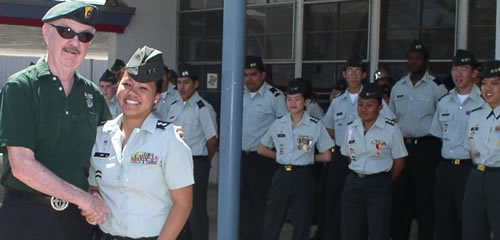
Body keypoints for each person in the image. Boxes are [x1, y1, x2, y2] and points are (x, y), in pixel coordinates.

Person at [0, 2, 111, 240]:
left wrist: (165, 135)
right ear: (46, 32)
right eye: (66, 32)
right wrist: (84, 199)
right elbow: (21, 165)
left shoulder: (93, 95)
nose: (75, 43)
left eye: (85, 36)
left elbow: (108, 151)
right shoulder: (21, 87)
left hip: (76, 222)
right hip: (26, 219)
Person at [86, 46, 194, 239]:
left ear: (157, 97)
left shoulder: (169, 139)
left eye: (143, 88)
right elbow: (95, 186)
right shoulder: (101, 135)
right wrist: (93, 201)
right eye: (127, 84)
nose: (132, 93)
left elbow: (183, 204)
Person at [321, 54, 395, 240]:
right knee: (334, 203)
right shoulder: (337, 101)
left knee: (367, 211)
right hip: (341, 156)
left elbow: (389, 123)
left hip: (369, 158)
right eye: (350, 71)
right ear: (344, 74)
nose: (353, 75)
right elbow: (328, 127)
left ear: (363, 74)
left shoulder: (373, 97)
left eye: (358, 72)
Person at [258, 79, 334, 240]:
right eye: (289, 99)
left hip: (303, 176)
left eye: (297, 99)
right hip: (282, 175)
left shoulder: (315, 125)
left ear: (306, 101)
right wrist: (279, 156)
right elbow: (262, 148)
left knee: (302, 220)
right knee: (273, 218)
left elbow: (327, 155)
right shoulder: (279, 123)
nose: (292, 103)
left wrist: (308, 158)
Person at [389, 40, 448, 240]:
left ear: (426, 61)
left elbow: (444, 117)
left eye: (419, 58)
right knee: (400, 199)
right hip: (403, 147)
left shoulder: (436, 87)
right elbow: (391, 119)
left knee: (425, 200)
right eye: (411, 58)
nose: (414, 62)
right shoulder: (398, 86)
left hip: (426, 148)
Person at [340, 83, 407, 240]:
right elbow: (349, 155)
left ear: (380, 107)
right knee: (351, 230)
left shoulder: (391, 129)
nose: (363, 109)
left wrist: (385, 181)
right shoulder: (351, 127)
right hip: (354, 182)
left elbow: (399, 161)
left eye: (369, 105)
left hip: (379, 183)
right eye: (360, 104)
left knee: (378, 230)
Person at [429, 49, 484, 240]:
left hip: (471, 169)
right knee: (444, 221)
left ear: (475, 72)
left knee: (470, 222)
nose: (458, 74)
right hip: (446, 168)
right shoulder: (444, 102)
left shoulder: (484, 102)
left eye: (464, 69)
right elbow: (438, 135)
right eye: (455, 69)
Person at [240, 55, 288, 240]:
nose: (249, 79)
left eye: (253, 74)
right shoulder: (239, 95)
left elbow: (284, 128)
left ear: (263, 75)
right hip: (240, 158)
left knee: (261, 204)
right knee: (241, 204)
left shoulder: (274, 97)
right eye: (245, 75)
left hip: (262, 159)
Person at [168, 64, 218, 240]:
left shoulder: (202, 108)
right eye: (179, 83)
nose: (182, 87)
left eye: (186, 82)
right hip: (176, 164)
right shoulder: (174, 107)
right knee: (177, 206)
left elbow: (212, 140)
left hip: (196, 162)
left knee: (195, 210)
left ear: (195, 84)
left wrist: (206, 161)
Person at [462, 60, 500, 240]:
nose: (488, 88)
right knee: (473, 230)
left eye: (495, 83)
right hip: (477, 177)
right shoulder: (475, 114)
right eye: (484, 83)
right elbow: (472, 150)